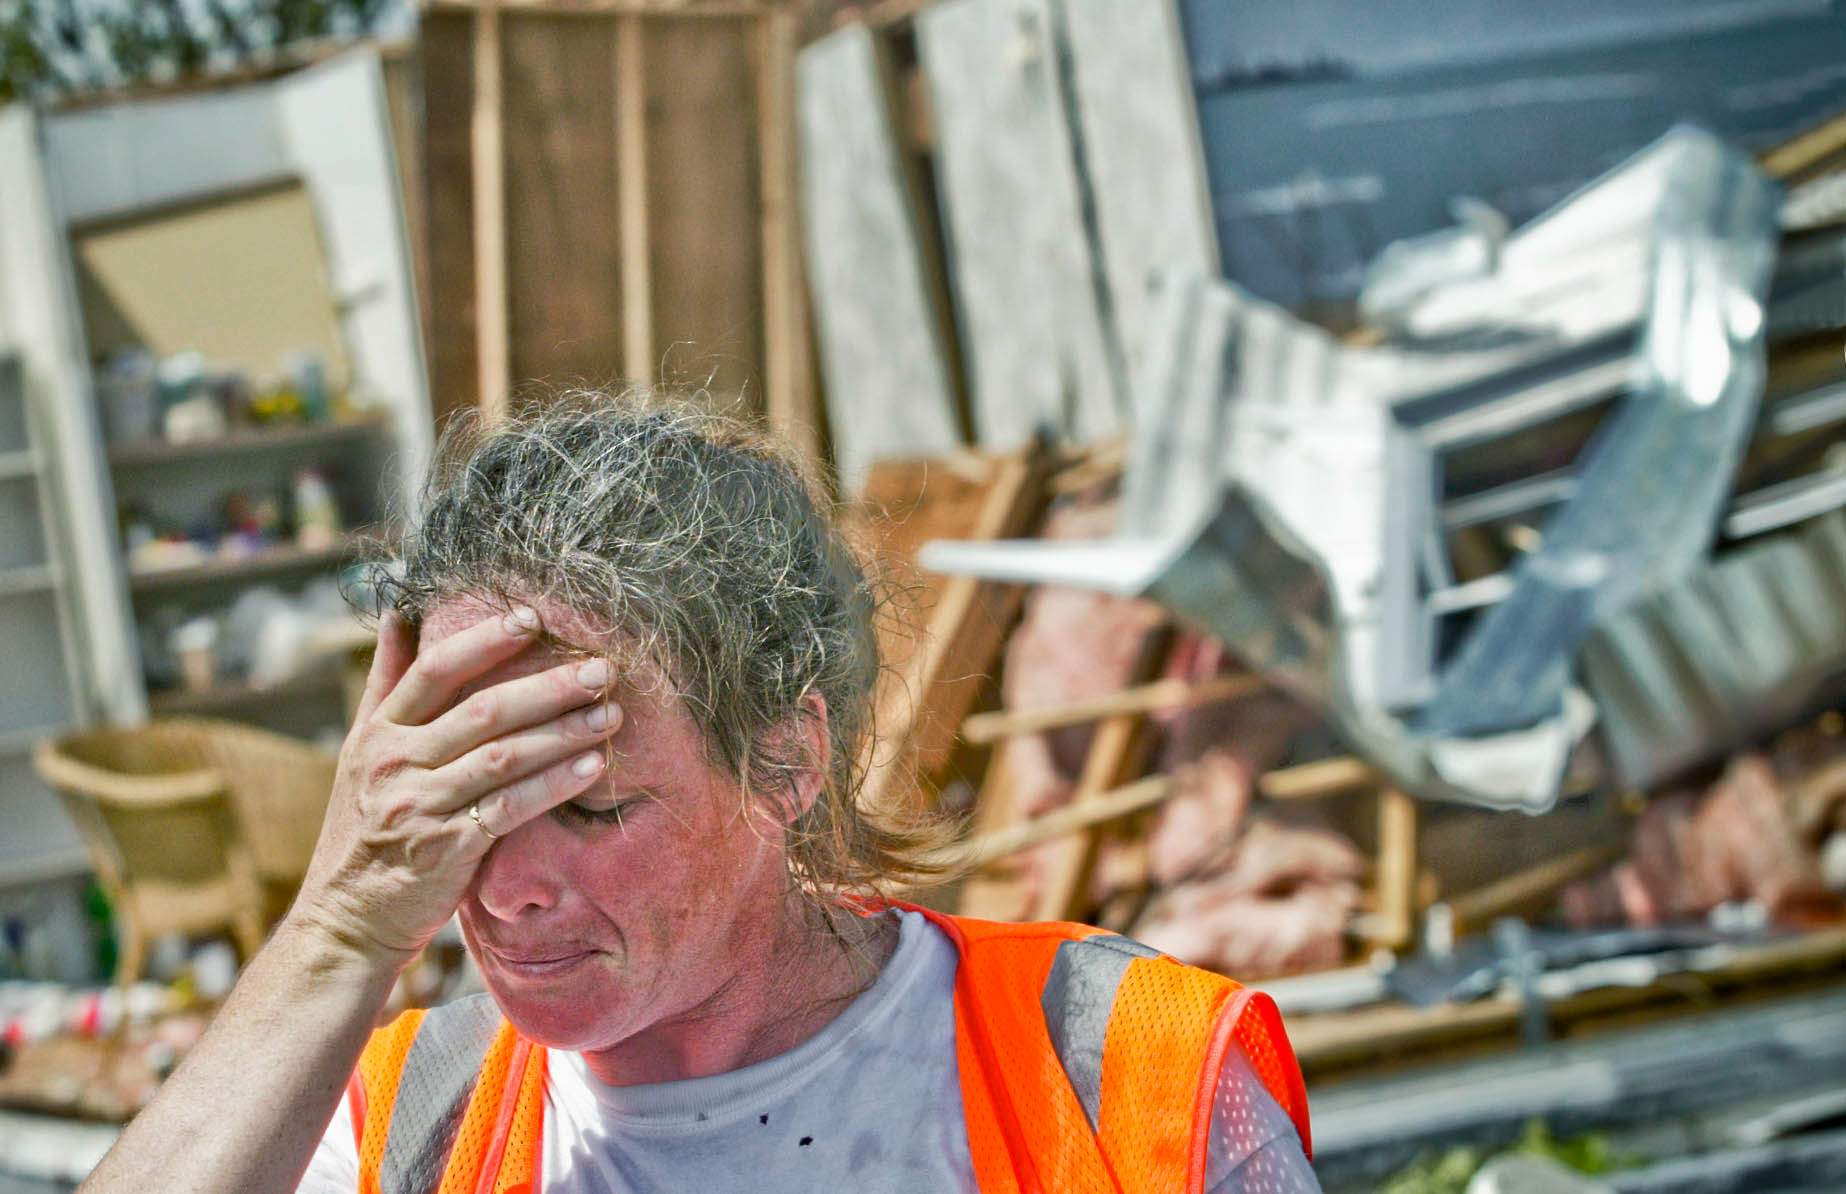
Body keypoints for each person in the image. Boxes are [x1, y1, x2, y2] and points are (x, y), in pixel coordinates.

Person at [75, 395, 1320, 1194]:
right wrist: (340, 931)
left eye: (592, 807)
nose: (508, 889)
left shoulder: (1119, 1073)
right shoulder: (405, 1125)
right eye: (464, 808)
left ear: (786, 761)